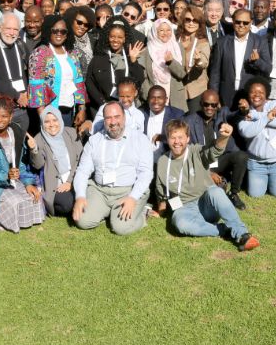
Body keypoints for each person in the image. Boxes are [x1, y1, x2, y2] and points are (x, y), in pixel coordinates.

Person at [155, 119, 259, 250]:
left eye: (180, 137)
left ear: (187, 138)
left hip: (207, 204)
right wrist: (161, 211)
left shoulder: (196, 151)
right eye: (173, 138)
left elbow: (214, 151)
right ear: (168, 139)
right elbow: (161, 190)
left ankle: (242, 234)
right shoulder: (163, 161)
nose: (177, 142)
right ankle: (223, 230)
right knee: (180, 223)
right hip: (184, 208)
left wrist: (223, 137)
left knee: (215, 191)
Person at [71, 100, 153, 236]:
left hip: (128, 190)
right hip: (100, 191)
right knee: (81, 221)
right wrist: (80, 196)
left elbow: (146, 173)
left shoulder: (140, 139)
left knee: (120, 228)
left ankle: (142, 213)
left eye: (117, 117)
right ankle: (107, 211)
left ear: (124, 117)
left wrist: (133, 198)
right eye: (108, 118)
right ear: (104, 120)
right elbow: (83, 171)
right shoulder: (94, 141)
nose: (113, 122)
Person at [0, 95, 46, 232]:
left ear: (11, 117)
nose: (0, 120)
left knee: (34, 198)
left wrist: (28, 183)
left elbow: (20, 165)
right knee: (16, 202)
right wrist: (5, 176)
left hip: (11, 181)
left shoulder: (15, 133)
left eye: (4, 116)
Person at [185, 89, 248, 209]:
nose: (210, 107)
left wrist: (244, 111)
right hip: (202, 162)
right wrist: (208, 173)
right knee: (214, 193)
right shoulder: (190, 121)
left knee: (241, 156)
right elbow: (189, 153)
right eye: (206, 104)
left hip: (220, 159)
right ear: (201, 104)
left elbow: (236, 116)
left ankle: (234, 193)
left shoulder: (223, 113)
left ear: (218, 105)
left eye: (213, 105)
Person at [27, 15, 88, 129]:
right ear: (48, 30)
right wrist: (44, 117)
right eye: (55, 30)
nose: (59, 34)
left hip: (70, 110)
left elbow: (79, 82)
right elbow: (36, 88)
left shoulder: (72, 54)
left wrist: (82, 109)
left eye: (63, 31)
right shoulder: (39, 53)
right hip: (50, 112)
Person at [209, 8, 271, 110]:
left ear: (251, 23)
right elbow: (215, 73)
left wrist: (257, 61)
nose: (241, 25)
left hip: (249, 96)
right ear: (233, 22)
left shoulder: (260, 42)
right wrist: (215, 97)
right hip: (226, 95)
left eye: (245, 23)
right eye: (238, 22)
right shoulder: (222, 42)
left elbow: (268, 69)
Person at [27, 105, 84, 216]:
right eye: (47, 121)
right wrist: (34, 149)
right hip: (56, 183)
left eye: (54, 120)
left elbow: (81, 160)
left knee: (85, 194)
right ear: (42, 123)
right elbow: (38, 165)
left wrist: (70, 182)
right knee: (67, 204)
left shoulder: (71, 133)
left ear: (60, 120)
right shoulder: (39, 138)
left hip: (75, 176)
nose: (52, 124)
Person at [237, 77, 276, 198]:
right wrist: (267, 117)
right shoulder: (244, 111)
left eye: (261, 92)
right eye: (253, 92)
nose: (257, 95)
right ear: (248, 95)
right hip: (256, 164)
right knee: (255, 195)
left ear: (266, 95)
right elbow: (247, 132)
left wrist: (255, 115)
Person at [85, 20, 145, 111]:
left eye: (120, 37)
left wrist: (133, 61)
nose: (115, 40)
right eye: (112, 36)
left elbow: (139, 79)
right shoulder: (98, 58)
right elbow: (90, 82)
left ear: (124, 39)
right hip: (102, 107)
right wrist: (103, 103)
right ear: (108, 37)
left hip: (126, 106)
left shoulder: (129, 58)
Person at [175, 5, 211, 113]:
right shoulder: (175, 39)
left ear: (200, 23)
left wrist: (198, 61)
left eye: (195, 20)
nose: (191, 23)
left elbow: (204, 62)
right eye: (188, 20)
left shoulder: (203, 42)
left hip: (196, 89)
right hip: (177, 88)